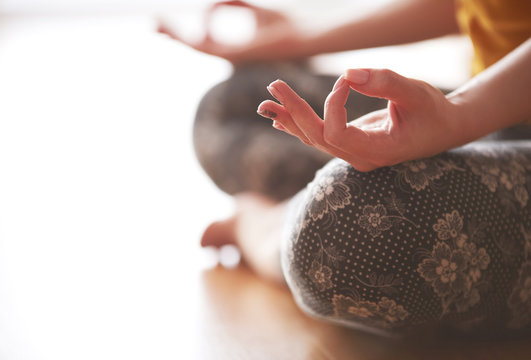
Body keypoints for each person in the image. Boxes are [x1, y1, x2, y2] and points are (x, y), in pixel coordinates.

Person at [159, 0, 531, 336]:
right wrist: (293, 38)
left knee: (339, 236)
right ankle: (304, 205)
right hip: (497, 99)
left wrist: (460, 116)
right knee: (227, 108)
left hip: (482, 114)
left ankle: (261, 225)